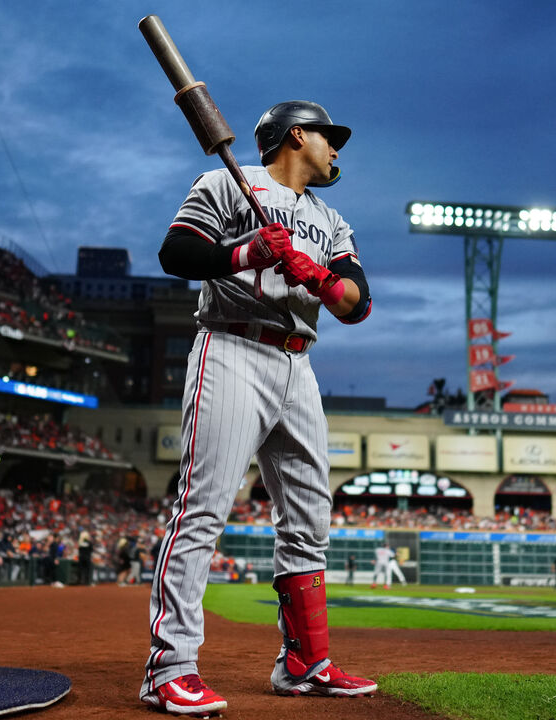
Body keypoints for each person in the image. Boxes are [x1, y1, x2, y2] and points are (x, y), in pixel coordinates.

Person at [140, 100, 375, 715]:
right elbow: (177, 254)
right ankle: (170, 668)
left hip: (299, 363)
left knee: (309, 519)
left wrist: (317, 277)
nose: (336, 151)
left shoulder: (332, 221)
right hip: (232, 345)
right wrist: (244, 253)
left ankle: (305, 662)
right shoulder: (223, 181)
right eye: (330, 139)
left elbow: (358, 304)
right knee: (204, 506)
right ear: (297, 135)